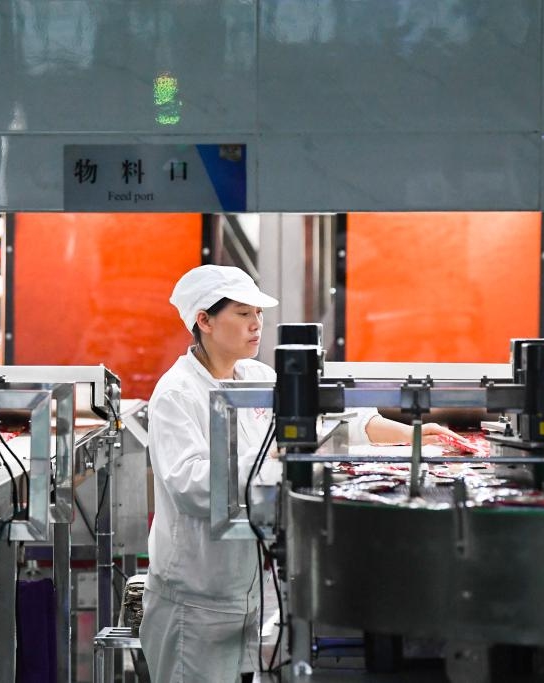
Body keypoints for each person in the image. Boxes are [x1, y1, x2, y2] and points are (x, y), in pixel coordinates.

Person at [139, 265, 459, 683]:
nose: (256, 325)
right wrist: (275, 452)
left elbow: (328, 421)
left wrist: (413, 435)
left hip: (256, 590)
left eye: (257, 314)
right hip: (199, 597)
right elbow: (190, 485)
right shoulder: (177, 393)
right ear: (204, 320)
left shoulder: (255, 376)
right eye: (242, 314)